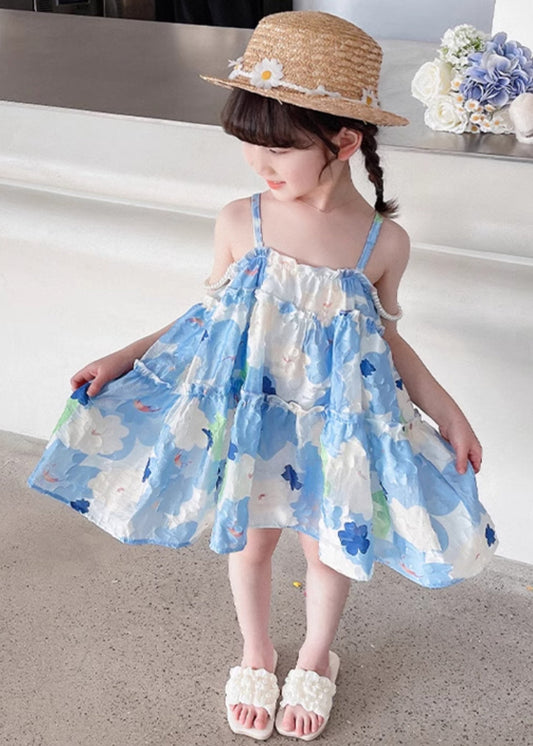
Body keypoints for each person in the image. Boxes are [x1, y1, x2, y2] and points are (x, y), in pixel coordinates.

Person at [28, 11, 498, 742]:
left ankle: (316, 656)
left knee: (327, 544)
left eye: (277, 148)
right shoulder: (238, 221)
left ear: (344, 142)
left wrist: (449, 412)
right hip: (252, 416)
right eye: (247, 143)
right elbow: (207, 318)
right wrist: (125, 355)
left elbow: (385, 340)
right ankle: (256, 650)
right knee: (250, 542)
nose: (257, 163)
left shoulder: (383, 244)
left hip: (335, 423)